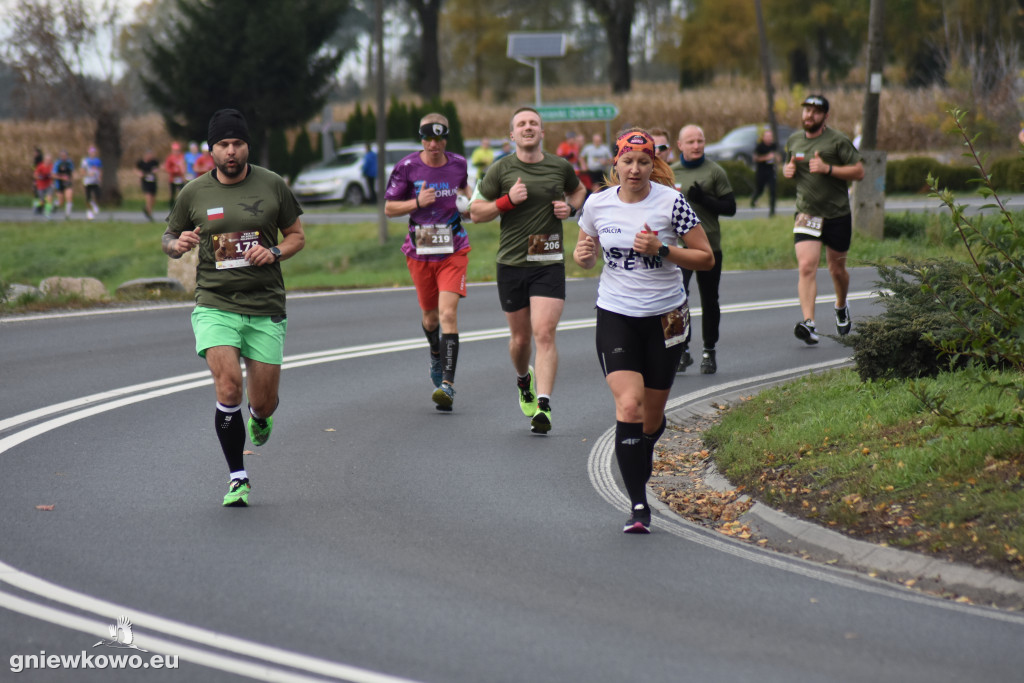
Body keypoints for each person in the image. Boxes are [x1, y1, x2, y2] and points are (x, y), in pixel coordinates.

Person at [161, 108, 305, 507]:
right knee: (228, 387)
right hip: (215, 303)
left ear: (247, 146)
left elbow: (297, 236)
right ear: (211, 150)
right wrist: (178, 244)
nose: (230, 151)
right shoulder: (193, 193)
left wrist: (273, 250)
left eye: (237, 143)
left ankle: (260, 418)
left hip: (265, 304)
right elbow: (168, 235)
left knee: (262, 402)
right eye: (223, 144)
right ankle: (237, 477)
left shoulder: (273, 184)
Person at [573, 127, 714, 533]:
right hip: (615, 315)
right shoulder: (597, 204)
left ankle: (643, 445)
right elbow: (587, 253)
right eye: (628, 161)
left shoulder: (672, 203)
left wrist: (663, 250)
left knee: (650, 419)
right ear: (614, 163)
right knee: (629, 407)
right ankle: (639, 506)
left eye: (644, 162)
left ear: (654, 164)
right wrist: (583, 256)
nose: (635, 169)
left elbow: (705, 258)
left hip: (665, 319)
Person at [470, 106, 586, 434]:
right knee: (521, 340)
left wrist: (572, 207)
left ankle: (544, 406)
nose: (528, 127)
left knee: (544, 333)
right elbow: (476, 213)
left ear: (542, 131)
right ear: (512, 135)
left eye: (533, 123)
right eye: (521, 124)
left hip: (547, 262)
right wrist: (507, 201)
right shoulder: (500, 169)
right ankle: (524, 380)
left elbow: (577, 190)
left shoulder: (559, 166)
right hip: (511, 264)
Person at [384, 113, 472, 411]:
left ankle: (447, 385)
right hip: (419, 251)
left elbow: (466, 193)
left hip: (454, 249)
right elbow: (389, 208)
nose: (434, 144)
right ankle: (435, 351)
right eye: (428, 138)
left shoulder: (459, 164)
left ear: (446, 138)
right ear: (421, 139)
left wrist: (471, 206)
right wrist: (417, 202)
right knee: (431, 318)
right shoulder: (407, 167)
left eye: (439, 138)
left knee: (448, 314)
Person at [783, 94, 864, 343]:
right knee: (807, 266)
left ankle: (840, 305)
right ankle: (809, 324)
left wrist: (828, 169)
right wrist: (787, 171)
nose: (810, 115)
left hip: (837, 214)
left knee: (836, 269)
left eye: (816, 111)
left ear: (825, 116)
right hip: (807, 213)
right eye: (807, 110)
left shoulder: (838, 141)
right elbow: (790, 164)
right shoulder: (794, 140)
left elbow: (859, 171)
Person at [671, 125, 736, 375]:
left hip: (709, 246)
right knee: (678, 299)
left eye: (700, 141)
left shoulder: (715, 171)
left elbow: (730, 207)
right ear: (680, 145)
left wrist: (705, 200)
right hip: (679, 248)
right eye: (690, 142)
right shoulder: (670, 173)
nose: (696, 145)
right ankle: (682, 350)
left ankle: (709, 351)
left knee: (710, 300)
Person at [750, 127, 778, 217]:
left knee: (773, 190)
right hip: (761, 171)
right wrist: (767, 157)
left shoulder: (774, 146)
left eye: (770, 136)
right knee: (760, 190)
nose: (769, 138)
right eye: (767, 136)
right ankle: (754, 199)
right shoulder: (759, 146)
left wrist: (776, 157)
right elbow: (755, 158)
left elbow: (778, 156)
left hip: (771, 171)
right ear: (763, 137)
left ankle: (772, 211)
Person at [136, 150, 159, 221]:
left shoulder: (154, 162)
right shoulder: (141, 163)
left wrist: (156, 170)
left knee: (153, 199)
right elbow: (136, 170)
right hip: (145, 182)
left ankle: (146, 209)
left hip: (153, 182)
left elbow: (158, 168)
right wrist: (139, 174)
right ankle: (149, 214)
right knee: (148, 198)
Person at [52, 150, 75, 219]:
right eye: (62, 156)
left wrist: (74, 177)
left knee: (69, 197)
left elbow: (72, 172)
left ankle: (67, 215)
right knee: (61, 202)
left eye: (65, 155)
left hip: (68, 183)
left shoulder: (69, 162)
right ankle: (55, 205)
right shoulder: (57, 163)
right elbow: (53, 175)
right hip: (59, 183)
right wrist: (62, 177)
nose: (63, 157)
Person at [81, 146, 102, 220]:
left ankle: (94, 204)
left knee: (97, 195)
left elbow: (99, 170)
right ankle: (89, 212)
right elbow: (82, 172)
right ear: (89, 153)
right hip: (87, 181)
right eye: (91, 152)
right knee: (88, 197)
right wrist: (88, 174)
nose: (93, 153)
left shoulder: (98, 161)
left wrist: (100, 178)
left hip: (95, 181)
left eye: (94, 152)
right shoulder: (85, 161)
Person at [165, 141, 187, 209]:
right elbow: (167, 168)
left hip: (180, 178)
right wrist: (173, 171)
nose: (176, 152)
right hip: (173, 178)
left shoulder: (181, 157)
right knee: (172, 194)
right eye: (175, 150)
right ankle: (171, 206)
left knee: (182, 192)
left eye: (177, 150)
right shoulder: (170, 158)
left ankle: (181, 207)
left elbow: (184, 166)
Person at [33, 153, 54, 219]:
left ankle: (47, 213)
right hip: (41, 185)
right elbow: (35, 175)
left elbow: (54, 174)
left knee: (49, 199)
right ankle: (36, 204)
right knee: (42, 201)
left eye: (50, 160)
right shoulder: (40, 166)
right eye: (47, 160)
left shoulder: (52, 166)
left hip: (49, 185)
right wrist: (40, 177)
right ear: (44, 160)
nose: (48, 161)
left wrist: (52, 179)